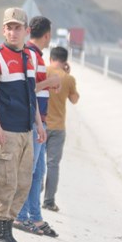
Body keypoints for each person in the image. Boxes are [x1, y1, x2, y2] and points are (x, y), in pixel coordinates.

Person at [0, 7, 45, 242]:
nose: (13, 31)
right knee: (6, 183)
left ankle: (8, 232)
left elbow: (32, 95)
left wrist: (39, 124)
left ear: (27, 31)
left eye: (17, 27)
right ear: (3, 30)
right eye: (9, 27)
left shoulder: (29, 57)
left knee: (23, 183)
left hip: (26, 130)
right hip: (6, 131)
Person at [15, 16, 60, 237]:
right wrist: (50, 83)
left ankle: (35, 216)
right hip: (34, 122)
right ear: (47, 35)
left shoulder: (36, 55)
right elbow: (29, 90)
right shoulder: (31, 54)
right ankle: (21, 215)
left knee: (38, 171)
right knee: (30, 171)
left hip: (40, 121)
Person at [43, 46, 80, 212]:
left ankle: (31, 195)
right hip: (58, 128)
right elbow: (74, 100)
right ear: (65, 61)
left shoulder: (44, 71)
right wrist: (69, 74)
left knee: (36, 162)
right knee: (53, 165)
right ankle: (49, 201)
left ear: (51, 58)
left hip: (41, 124)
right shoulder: (68, 78)